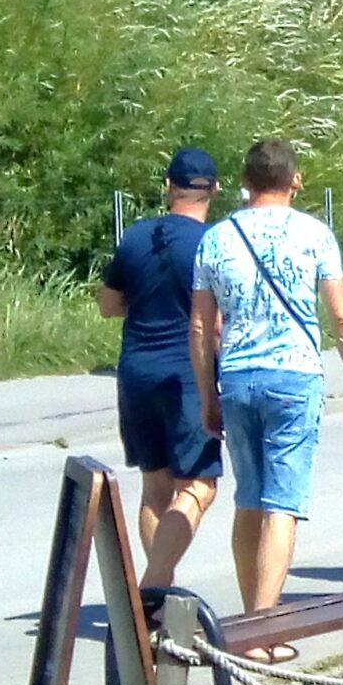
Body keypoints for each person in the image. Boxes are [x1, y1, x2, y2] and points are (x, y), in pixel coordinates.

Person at [189, 138, 343, 641]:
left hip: (238, 376)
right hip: (294, 375)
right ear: (296, 179)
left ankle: (252, 619)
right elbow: (341, 315)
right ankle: (264, 629)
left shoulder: (216, 239)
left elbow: (202, 327)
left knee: (249, 498)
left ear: (245, 182)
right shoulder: (314, 234)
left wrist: (207, 395)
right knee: (282, 503)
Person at [97, 149, 222, 588]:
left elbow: (108, 305)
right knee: (199, 486)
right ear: (214, 190)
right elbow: (216, 323)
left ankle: (157, 602)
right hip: (187, 375)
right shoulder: (213, 243)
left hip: (136, 371)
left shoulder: (134, 237)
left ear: (168, 186)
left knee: (155, 488)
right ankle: (153, 585)